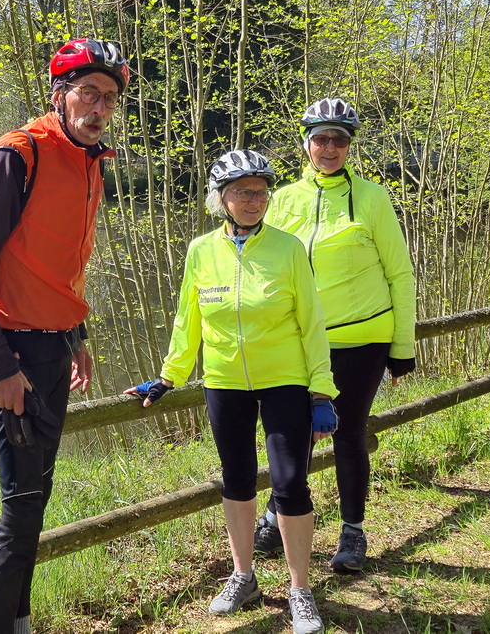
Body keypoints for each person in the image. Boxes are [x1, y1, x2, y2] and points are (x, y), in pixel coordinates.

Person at [0, 38, 126, 634]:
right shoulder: (18, 155)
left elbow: (56, 264)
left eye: (109, 98)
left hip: (52, 345)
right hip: (15, 353)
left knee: (37, 495)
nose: (98, 107)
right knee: (21, 506)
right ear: (60, 95)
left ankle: (18, 619)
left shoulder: (89, 160)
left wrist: (76, 332)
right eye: (87, 93)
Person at [127, 149, 337, 634]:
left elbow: (312, 323)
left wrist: (322, 391)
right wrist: (169, 376)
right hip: (224, 381)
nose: (254, 200)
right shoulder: (202, 251)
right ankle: (244, 576)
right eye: (242, 192)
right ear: (220, 198)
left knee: (290, 484)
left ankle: (300, 590)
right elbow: (188, 319)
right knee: (237, 480)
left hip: (286, 379)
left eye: (261, 192)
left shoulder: (288, 249)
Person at [258, 97, 418, 573]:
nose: (329, 147)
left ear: (349, 146)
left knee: (347, 433)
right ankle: (277, 514)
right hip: (300, 343)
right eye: (321, 138)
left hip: (361, 341)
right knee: (294, 434)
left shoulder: (371, 197)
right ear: (305, 143)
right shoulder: (281, 199)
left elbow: (400, 274)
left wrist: (402, 346)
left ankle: (352, 532)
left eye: (340, 140)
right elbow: (267, 267)